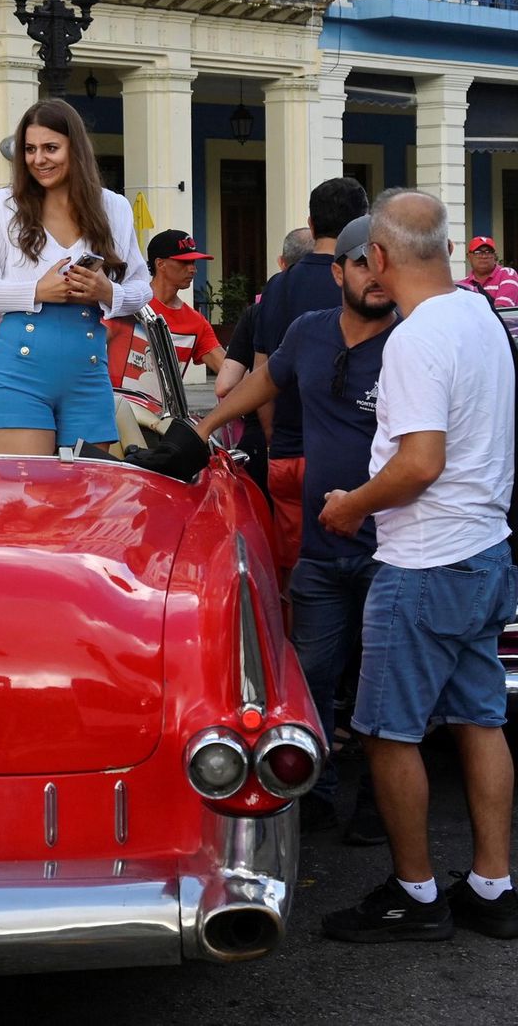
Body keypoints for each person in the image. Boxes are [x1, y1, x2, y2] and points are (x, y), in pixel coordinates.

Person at [319, 189, 518, 943]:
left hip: (425, 559)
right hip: (483, 553)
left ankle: (416, 893)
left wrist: (351, 505)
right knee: (481, 718)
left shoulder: (413, 338)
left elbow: (420, 462)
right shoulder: (480, 315)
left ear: (377, 257)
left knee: (388, 731)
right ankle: (493, 886)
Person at [194, 214, 396, 843]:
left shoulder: (411, 342)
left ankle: (376, 800)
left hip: (392, 548)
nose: (373, 275)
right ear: (338, 271)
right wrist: (201, 431)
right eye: (360, 262)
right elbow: (263, 380)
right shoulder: (308, 331)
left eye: (381, 263)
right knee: (309, 674)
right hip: (319, 548)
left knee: (382, 684)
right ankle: (314, 793)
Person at [0, 99, 152, 454]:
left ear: (75, 149)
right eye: (30, 150)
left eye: (51, 148)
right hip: (19, 373)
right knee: (29, 495)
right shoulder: (5, 206)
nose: (38, 159)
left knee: (85, 499)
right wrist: (37, 290)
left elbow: (142, 287)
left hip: (88, 374)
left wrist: (108, 291)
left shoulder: (114, 207)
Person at [253, 177, 370, 586]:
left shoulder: (278, 286)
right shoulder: (370, 286)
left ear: (311, 222)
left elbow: (263, 371)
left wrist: (273, 438)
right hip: (352, 458)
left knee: (295, 573)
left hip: (286, 451)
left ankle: (294, 648)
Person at [212, 226, 315, 501]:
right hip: (321, 442)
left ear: (282, 262)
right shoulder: (334, 309)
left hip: (267, 441)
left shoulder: (258, 311)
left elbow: (224, 385)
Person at [109, 229, 224, 385]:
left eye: (193, 262)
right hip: (116, 406)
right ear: (160, 263)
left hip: (165, 409)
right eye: (184, 262)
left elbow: (227, 369)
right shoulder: (129, 305)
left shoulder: (196, 322)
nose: (193, 269)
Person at [456, 234, 518, 307]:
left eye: (488, 252)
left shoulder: (507, 274)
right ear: (469, 256)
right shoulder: (462, 285)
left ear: (494, 256)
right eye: (478, 252)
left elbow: (501, 309)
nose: (484, 256)